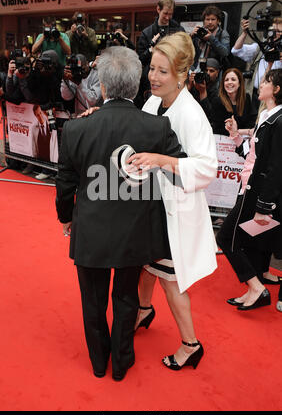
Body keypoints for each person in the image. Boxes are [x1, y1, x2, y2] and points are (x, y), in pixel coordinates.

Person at [55, 46, 186, 381]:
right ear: (137, 82)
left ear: (103, 87)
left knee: (93, 301)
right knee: (127, 298)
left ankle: (99, 362)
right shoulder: (157, 127)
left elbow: (66, 182)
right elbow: (181, 168)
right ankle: (121, 362)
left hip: (91, 229)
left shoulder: (76, 129)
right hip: (135, 230)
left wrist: (65, 218)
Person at [129, 32, 218, 371]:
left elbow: (207, 167)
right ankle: (143, 309)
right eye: (152, 68)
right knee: (146, 263)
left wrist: (161, 160)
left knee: (170, 277)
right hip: (152, 203)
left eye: (162, 71)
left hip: (175, 211)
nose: (153, 76)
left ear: (181, 74)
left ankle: (190, 344)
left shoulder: (192, 115)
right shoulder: (152, 102)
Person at [216, 69, 282, 311]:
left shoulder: (278, 120)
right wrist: (235, 136)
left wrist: (264, 206)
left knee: (226, 238)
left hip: (257, 195)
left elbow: (276, 168)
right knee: (248, 242)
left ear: (276, 90)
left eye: (266, 81)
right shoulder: (266, 116)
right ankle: (254, 289)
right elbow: (253, 157)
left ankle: (257, 288)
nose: (260, 84)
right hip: (248, 189)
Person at [136, 0, 185, 108]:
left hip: (173, 77)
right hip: (152, 80)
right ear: (158, 9)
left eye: (170, 14)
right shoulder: (147, 32)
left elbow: (184, 53)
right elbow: (140, 60)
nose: (168, 17)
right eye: (165, 13)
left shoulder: (179, 30)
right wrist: (150, 49)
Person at [231, 18, 282, 109]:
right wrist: (245, 32)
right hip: (255, 95)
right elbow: (236, 50)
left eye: (278, 31)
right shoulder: (260, 48)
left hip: (277, 98)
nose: (274, 34)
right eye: (272, 31)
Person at [210, 68, 257, 135]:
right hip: (225, 141)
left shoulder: (246, 98)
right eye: (226, 80)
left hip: (243, 139)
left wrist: (238, 131)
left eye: (233, 79)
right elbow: (217, 128)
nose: (229, 82)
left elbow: (251, 122)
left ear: (239, 83)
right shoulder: (217, 101)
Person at [191, 5, 230, 72]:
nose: (210, 22)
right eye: (207, 19)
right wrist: (191, 36)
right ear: (203, 21)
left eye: (213, 19)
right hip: (196, 69)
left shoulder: (222, 33)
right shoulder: (199, 32)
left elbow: (225, 52)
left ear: (218, 21)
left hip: (212, 71)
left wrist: (211, 38)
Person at [188, 57, 221, 122]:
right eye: (206, 70)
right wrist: (189, 85)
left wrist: (202, 93)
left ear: (217, 73)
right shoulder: (197, 82)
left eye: (211, 71)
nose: (208, 73)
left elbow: (211, 116)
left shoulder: (219, 90)